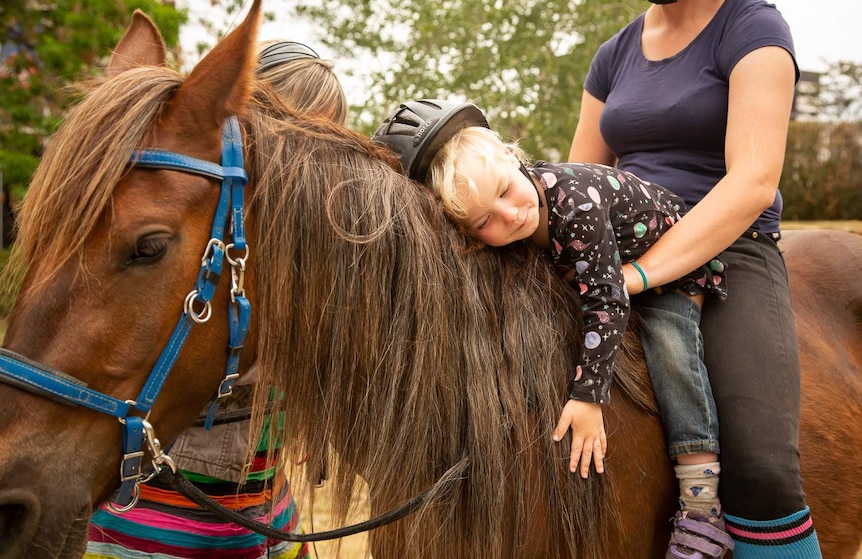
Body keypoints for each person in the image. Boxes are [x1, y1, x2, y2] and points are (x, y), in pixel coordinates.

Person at [372, 98, 731, 556]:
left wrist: (588, 399)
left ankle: (701, 503)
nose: (510, 216)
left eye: (505, 192)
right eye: (484, 221)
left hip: (672, 269)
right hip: (601, 269)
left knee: (672, 352)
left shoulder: (576, 203)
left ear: (512, 156)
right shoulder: (515, 211)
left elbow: (606, 299)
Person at [567, 0, 822, 558]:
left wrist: (638, 276)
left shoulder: (753, 28)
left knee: (760, 466)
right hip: (627, 246)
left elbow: (752, 182)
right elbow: (580, 178)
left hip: (730, 252)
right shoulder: (614, 55)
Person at [85, 40, 348, 559]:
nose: (305, 166)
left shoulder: (307, 249)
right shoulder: (203, 237)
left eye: (322, 145)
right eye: (291, 138)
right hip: (152, 526)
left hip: (267, 518)